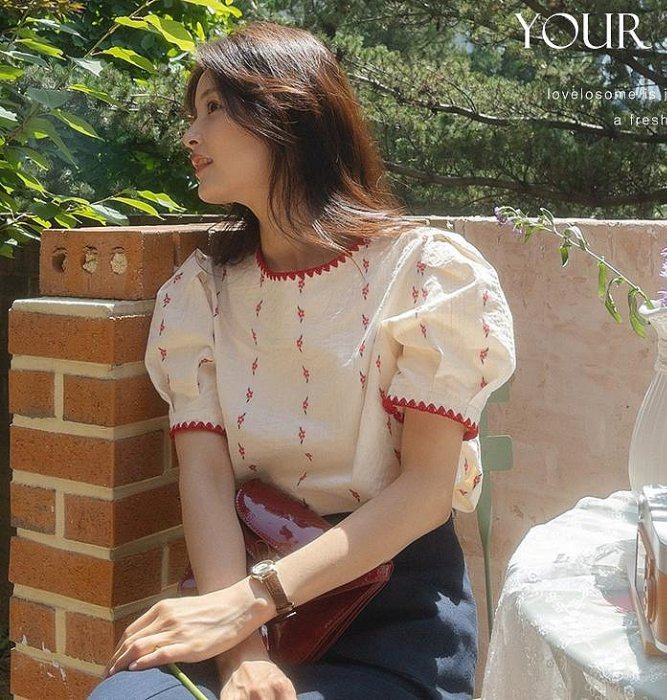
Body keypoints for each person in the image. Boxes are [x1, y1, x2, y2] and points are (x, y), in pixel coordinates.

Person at [88, 21, 515, 700]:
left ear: (287, 113)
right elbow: (205, 478)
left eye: (213, 108)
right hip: (245, 592)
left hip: (392, 606)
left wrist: (251, 603)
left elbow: (426, 489)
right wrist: (241, 652)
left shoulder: (425, 273)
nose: (189, 135)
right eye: (191, 113)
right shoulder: (202, 295)